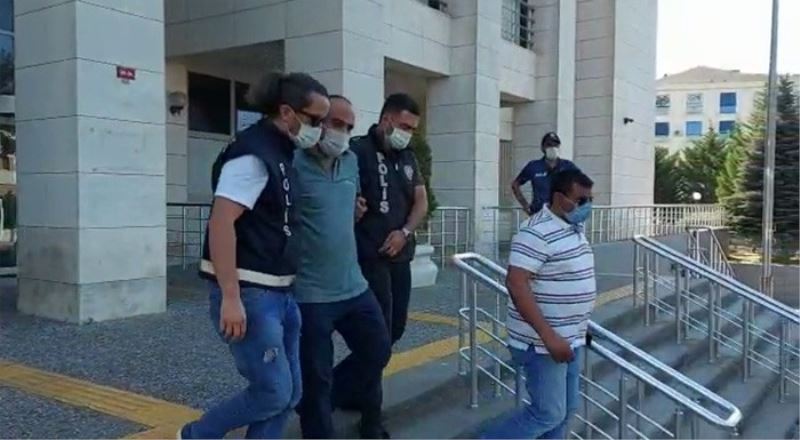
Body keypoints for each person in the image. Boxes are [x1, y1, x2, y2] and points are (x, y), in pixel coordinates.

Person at [179, 72, 330, 440]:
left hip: (280, 292)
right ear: (287, 112)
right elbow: (221, 222)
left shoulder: (281, 153)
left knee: (290, 393)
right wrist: (231, 297)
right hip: (252, 293)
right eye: (315, 119)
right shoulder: (253, 154)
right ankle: (196, 435)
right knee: (273, 391)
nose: (321, 129)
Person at [293, 95, 392, 439]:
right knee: (315, 377)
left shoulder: (350, 161)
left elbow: (349, 207)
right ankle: (316, 418)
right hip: (310, 294)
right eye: (337, 124)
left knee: (378, 350)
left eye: (349, 127)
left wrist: (354, 212)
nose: (343, 133)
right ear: (317, 122)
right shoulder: (292, 162)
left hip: (353, 286)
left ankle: (320, 401)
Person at [482, 169, 597, 440]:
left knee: (566, 411)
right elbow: (516, 284)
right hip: (543, 344)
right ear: (558, 198)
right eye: (580, 200)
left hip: (571, 338)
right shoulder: (535, 232)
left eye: (590, 200)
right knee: (547, 414)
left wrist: (579, 324)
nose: (587, 207)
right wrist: (549, 336)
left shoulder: (573, 228)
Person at [348, 93, 428, 346]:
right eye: (405, 127)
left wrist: (404, 232)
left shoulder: (408, 156)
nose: (408, 134)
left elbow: (421, 201)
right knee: (377, 329)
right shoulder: (358, 150)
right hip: (370, 255)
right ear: (386, 120)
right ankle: (362, 370)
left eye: (413, 129)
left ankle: (364, 369)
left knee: (396, 327)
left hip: (401, 254)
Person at [512, 132, 580, 216]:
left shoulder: (567, 166)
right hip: (539, 214)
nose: (552, 148)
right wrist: (525, 205)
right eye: (549, 145)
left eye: (555, 145)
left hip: (562, 215)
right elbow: (515, 184)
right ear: (543, 148)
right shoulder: (534, 166)